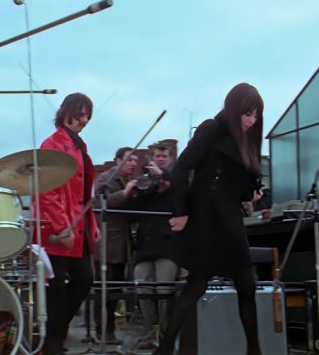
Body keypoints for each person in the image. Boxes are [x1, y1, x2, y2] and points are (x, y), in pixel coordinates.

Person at [153, 83, 265, 355]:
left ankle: (254, 349)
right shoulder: (211, 129)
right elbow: (181, 167)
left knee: (244, 284)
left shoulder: (246, 141)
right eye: (246, 114)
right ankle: (166, 347)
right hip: (207, 218)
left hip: (230, 219)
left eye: (255, 115)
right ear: (233, 109)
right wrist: (181, 212)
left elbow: (239, 187)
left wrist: (252, 192)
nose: (251, 120)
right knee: (197, 285)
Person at [33, 93, 99, 355]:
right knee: (56, 290)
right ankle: (52, 344)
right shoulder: (52, 145)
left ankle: (56, 336)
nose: (83, 120)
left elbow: (85, 193)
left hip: (78, 227)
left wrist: (91, 224)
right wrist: (62, 227)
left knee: (84, 279)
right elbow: (47, 192)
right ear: (65, 113)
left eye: (87, 116)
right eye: (79, 113)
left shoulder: (80, 146)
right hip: (56, 230)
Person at [131, 142, 178, 349]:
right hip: (145, 244)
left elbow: (183, 194)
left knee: (164, 292)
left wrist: (162, 176)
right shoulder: (146, 182)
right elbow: (135, 208)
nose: (160, 159)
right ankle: (151, 333)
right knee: (143, 290)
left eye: (163, 156)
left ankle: (166, 337)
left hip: (167, 243)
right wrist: (135, 189)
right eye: (157, 156)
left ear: (170, 159)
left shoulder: (176, 178)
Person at [93, 146, 138, 344]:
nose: (133, 164)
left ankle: (108, 331)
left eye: (135, 161)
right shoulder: (107, 178)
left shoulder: (128, 180)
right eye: (129, 160)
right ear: (118, 160)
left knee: (116, 291)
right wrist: (125, 193)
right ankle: (103, 332)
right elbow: (100, 202)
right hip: (107, 246)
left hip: (122, 245)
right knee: (105, 291)